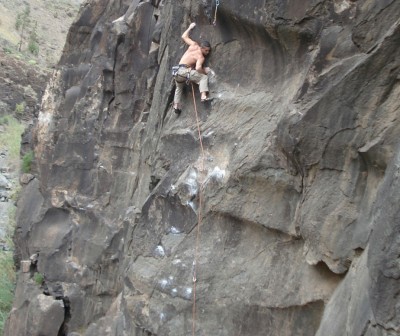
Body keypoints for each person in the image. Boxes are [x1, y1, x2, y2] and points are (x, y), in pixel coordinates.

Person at [173, 23, 212, 115]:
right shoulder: (200, 57)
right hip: (185, 72)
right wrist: (204, 71)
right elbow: (198, 68)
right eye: (206, 50)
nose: (207, 52)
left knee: (179, 87)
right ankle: (203, 96)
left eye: (209, 50)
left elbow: (184, 36)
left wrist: (190, 27)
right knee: (203, 78)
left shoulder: (193, 45)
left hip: (177, 72)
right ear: (202, 48)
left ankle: (176, 106)